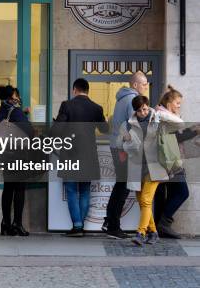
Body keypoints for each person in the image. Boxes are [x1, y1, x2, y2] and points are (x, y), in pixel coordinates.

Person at [55, 78, 109, 237]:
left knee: (71, 190)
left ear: (74, 90)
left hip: (70, 155)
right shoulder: (96, 108)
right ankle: (81, 225)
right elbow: (104, 129)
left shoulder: (67, 105)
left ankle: (77, 226)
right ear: (87, 90)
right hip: (89, 155)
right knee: (85, 191)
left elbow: (58, 129)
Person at [104, 72, 149, 239]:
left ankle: (110, 222)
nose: (146, 86)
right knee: (123, 187)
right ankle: (113, 226)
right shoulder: (132, 100)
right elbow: (134, 127)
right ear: (135, 85)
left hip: (118, 147)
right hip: (124, 149)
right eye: (144, 84)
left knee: (121, 185)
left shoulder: (122, 98)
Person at [118, 96, 167, 246]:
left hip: (155, 167)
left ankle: (140, 233)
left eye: (145, 108)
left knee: (146, 200)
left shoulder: (157, 119)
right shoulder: (128, 125)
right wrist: (129, 143)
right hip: (137, 167)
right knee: (142, 202)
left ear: (148, 106)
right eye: (139, 110)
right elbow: (122, 146)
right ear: (135, 111)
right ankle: (153, 232)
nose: (143, 112)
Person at [153, 86, 199, 238]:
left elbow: (174, 137)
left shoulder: (165, 115)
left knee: (166, 194)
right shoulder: (165, 116)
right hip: (170, 162)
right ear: (169, 102)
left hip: (167, 161)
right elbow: (174, 138)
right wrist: (194, 131)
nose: (179, 106)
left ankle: (160, 226)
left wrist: (192, 130)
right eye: (177, 103)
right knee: (182, 192)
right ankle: (163, 224)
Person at [0, 85, 33, 236]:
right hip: (18, 155)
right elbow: (29, 130)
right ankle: (17, 223)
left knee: (8, 188)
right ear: (12, 97)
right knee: (20, 189)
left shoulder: (1, 111)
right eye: (17, 95)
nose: (18, 98)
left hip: (5, 154)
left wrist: (22, 113)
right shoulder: (16, 111)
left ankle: (5, 223)